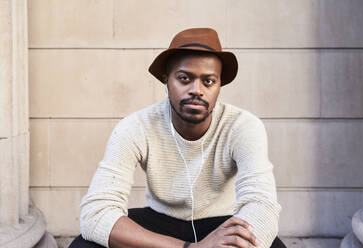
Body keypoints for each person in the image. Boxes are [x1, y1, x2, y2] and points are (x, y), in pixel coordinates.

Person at [69, 28, 286, 248]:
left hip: (221, 224)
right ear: (166, 80)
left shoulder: (243, 126)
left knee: (268, 243)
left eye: (208, 81)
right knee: (85, 245)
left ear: (220, 85)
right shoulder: (136, 126)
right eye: (184, 78)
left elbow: (262, 206)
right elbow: (95, 214)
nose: (196, 90)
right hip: (160, 224)